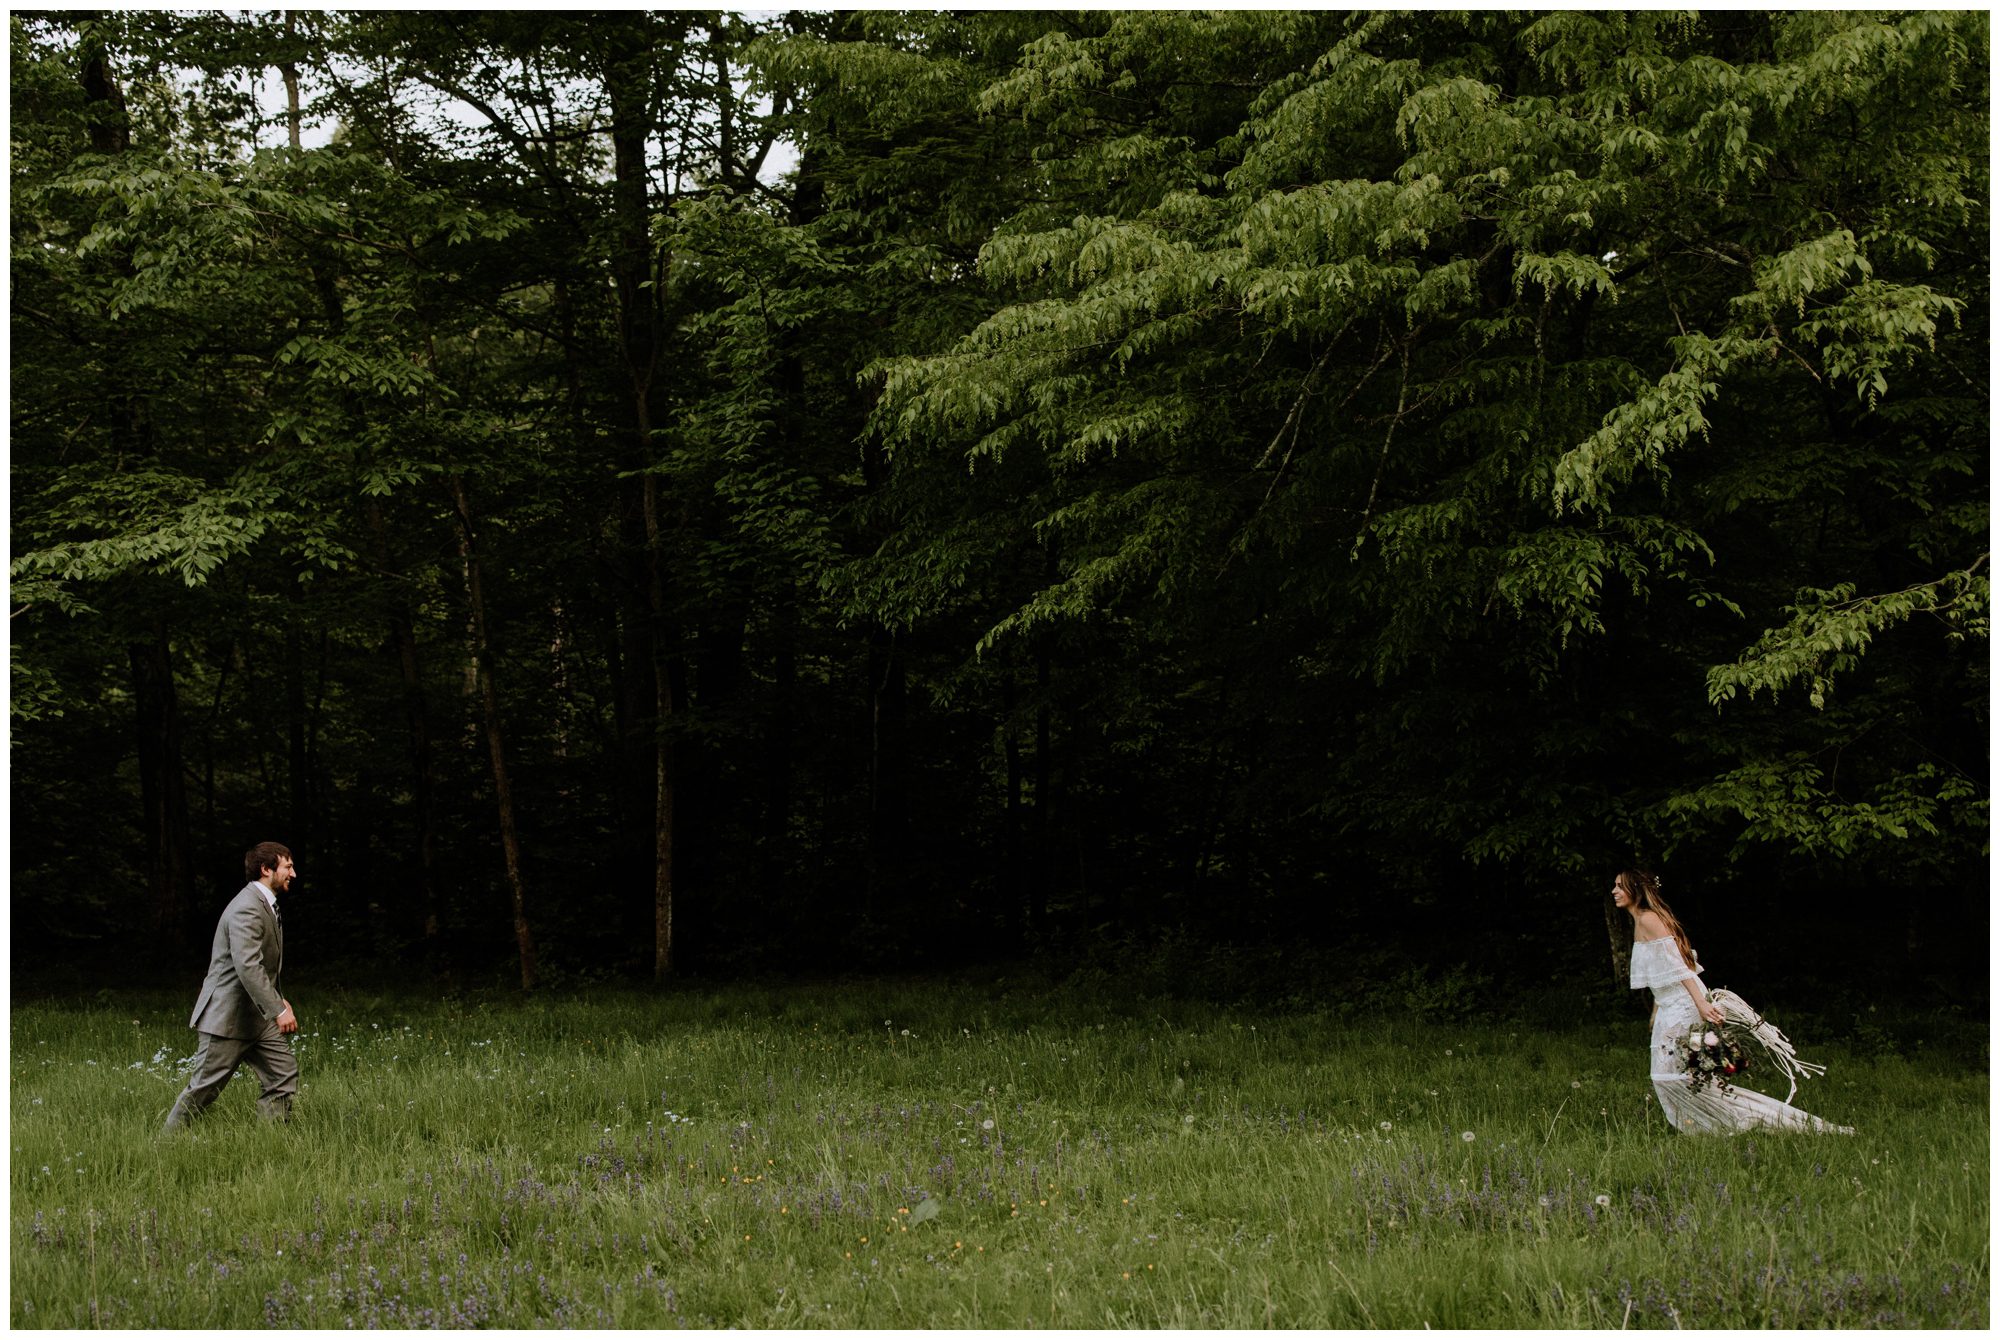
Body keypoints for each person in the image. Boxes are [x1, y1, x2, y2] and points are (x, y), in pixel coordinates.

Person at [1613, 868, 1850, 1135]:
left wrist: (1701, 1004)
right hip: (1669, 1003)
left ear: (1635, 889)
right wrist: (1656, 1008)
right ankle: (1711, 1124)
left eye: (1620, 886)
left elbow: (1680, 965)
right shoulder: (1643, 920)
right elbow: (1663, 969)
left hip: (1683, 1004)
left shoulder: (1649, 919)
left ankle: (1736, 1120)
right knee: (1673, 1076)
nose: (1614, 891)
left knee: (1668, 1076)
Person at [162, 842, 301, 1131]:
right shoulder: (246, 908)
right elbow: (248, 966)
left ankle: (270, 1142)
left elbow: (262, 965)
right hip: (228, 1018)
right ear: (266, 869)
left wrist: (278, 999)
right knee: (204, 1089)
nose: (293, 873)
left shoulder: (266, 905)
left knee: (283, 1074)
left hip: (257, 1019)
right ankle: (164, 1146)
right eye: (287, 866)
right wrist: (277, 1009)